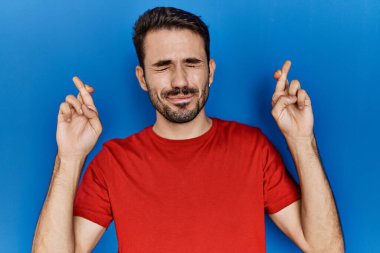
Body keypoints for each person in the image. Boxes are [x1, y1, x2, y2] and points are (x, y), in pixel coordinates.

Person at [32, 7, 344, 253]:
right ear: (142, 78)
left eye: (192, 63)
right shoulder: (113, 162)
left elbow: (325, 248)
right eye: (163, 66)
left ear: (210, 72)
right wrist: (70, 158)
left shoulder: (253, 148)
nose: (180, 81)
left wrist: (302, 140)